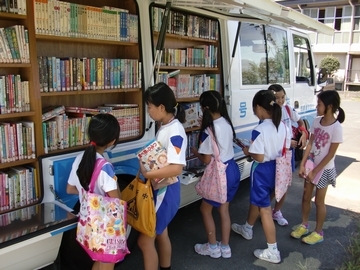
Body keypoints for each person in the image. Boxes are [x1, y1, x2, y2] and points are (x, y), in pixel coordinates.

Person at [231, 90, 286, 264]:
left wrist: (248, 151)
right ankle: (247, 227)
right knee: (260, 202)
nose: (254, 112)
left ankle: (272, 250)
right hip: (277, 167)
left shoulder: (259, 130)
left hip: (262, 170)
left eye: (254, 108)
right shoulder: (282, 125)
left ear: (259, 108)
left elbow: (259, 157)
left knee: (265, 210)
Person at [139, 82, 187, 270]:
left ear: (161, 107)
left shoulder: (174, 131)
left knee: (145, 242)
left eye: (150, 107)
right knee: (161, 233)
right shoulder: (167, 126)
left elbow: (176, 168)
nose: (148, 111)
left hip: (165, 192)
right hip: (162, 190)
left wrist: (148, 173)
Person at [66, 113, 121, 270]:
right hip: (105, 226)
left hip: (87, 223)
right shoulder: (106, 168)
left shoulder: (79, 159)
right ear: (112, 142)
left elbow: (70, 189)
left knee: (97, 260)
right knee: (106, 262)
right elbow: (116, 201)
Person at [191, 90, 240, 259]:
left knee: (205, 210)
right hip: (232, 168)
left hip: (219, 175)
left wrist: (196, 152)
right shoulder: (226, 122)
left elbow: (205, 159)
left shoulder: (208, 130)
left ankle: (212, 247)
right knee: (224, 211)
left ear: (205, 108)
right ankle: (225, 247)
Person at [291, 90, 345, 245]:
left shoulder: (336, 128)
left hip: (324, 169)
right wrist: (303, 163)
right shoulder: (316, 121)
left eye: (319, 104)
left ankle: (318, 232)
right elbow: (310, 144)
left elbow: (330, 154)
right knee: (306, 196)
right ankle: (304, 224)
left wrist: (315, 170)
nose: (317, 106)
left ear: (329, 106)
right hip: (311, 164)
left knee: (319, 201)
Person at [268, 84, 308, 226]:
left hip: (286, 155)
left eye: (283, 97)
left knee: (284, 184)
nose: (281, 100)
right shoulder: (268, 114)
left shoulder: (287, 109)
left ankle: (276, 211)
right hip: (273, 155)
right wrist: (286, 142)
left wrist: (303, 132)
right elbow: (269, 138)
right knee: (271, 184)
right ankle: (264, 209)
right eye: (277, 98)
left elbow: (300, 121)